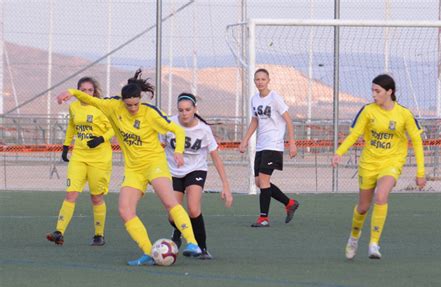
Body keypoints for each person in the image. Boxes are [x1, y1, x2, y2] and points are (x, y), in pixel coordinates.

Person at [57, 69, 202, 265]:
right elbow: (92, 100)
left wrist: (178, 151)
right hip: (133, 169)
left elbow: (176, 129)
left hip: (154, 164)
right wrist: (71, 92)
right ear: (123, 101)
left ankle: (192, 243)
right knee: (125, 210)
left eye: (136, 104)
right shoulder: (113, 107)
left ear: (140, 100)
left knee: (169, 202)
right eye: (129, 105)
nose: (133, 108)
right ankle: (148, 252)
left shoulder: (149, 113)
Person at [331, 74, 426, 260]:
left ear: (389, 92)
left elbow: (417, 142)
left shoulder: (404, 114)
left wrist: (420, 172)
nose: (374, 95)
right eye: (372, 91)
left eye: (378, 91)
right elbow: (354, 135)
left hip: (391, 162)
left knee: (381, 196)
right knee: (363, 207)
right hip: (369, 163)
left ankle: (374, 243)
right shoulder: (368, 111)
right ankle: (354, 237)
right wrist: (339, 152)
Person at [162, 92, 233, 259]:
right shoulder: (169, 124)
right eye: (181, 110)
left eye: (188, 109)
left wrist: (226, 186)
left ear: (195, 109)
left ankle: (202, 248)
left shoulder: (203, 130)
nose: (184, 113)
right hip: (172, 171)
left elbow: (216, 158)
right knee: (173, 214)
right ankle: (177, 231)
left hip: (196, 170)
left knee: (193, 209)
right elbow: (159, 147)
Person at [47, 77, 113, 246]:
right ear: (77, 92)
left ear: (94, 92)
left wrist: (101, 139)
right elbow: (71, 126)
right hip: (79, 157)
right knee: (71, 194)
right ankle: (59, 232)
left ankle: (99, 235)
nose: (86, 93)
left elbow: (113, 128)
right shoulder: (74, 106)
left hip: (99, 159)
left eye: (89, 90)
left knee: (96, 198)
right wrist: (65, 146)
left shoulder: (100, 107)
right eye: (82, 90)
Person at [239, 68, 299, 227]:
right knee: (259, 182)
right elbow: (255, 121)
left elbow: (289, 120)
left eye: (263, 79)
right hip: (261, 145)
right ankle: (289, 203)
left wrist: (292, 142)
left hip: (273, 145)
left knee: (264, 180)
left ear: (268, 80)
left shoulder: (275, 98)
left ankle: (263, 218)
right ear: (254, 81)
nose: (260, 82)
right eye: (257, 79)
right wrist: (245, 140)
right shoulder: (255, 99)